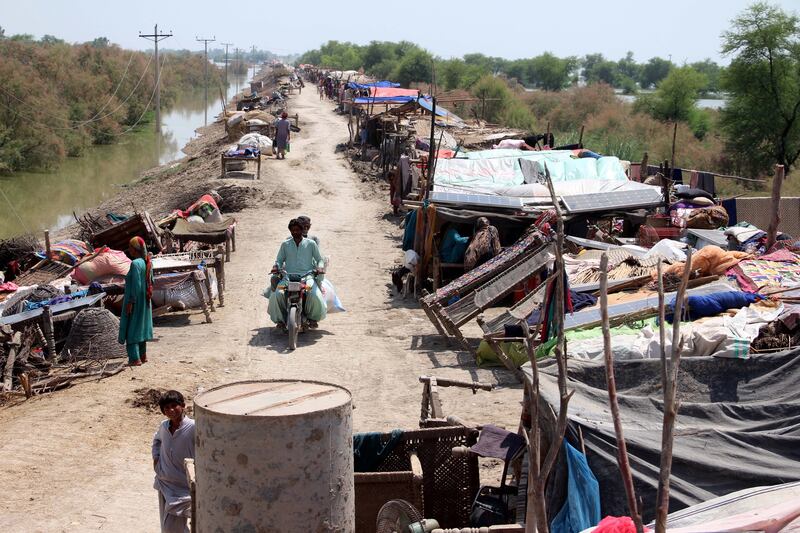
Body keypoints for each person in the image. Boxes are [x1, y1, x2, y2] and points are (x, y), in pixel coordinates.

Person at [266, 219, 327, 328]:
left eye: (297, 230)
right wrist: (276, 267)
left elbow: (319, 259)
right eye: (292, 230)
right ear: (290, 231)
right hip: (288, 278)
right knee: (277, 294)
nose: (295, 232)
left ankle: (312, 318)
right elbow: (279, 260)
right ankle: (280, 320)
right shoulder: (285, 244)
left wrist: (320, 267)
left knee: (314, 295)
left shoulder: (311, 244)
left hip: (307, 277)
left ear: (302, 230)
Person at [152, 390, 195, 533]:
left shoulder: (193, 427)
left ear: (183, 405)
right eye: (166, 408)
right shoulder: (164, 426)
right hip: (164, 483)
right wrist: (156, 460)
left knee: (171, 529)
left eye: (174, 405)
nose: (171, 410)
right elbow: (156, 440)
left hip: (183, 488)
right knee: (170, 526)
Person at [119, 236, 154, 366]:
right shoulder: (148, 263)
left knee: (132, 329)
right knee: (141, 328)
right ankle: (143, 356)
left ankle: (135, 359)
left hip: (136, 302)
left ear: (135, 249)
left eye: (130, 247)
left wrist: (130, 302)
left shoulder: (135, 264)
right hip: (145, 301)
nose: (129, 250)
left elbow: (136, 286)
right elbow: (151, 282)